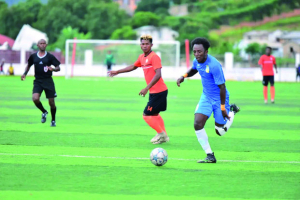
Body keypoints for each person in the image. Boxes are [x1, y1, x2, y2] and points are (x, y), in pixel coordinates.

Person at [177, 37, 240, 163]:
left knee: (220, 131)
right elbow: (194, 69)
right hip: (206, 96)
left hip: (219, 99)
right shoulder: (197, 60)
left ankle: (231, 111)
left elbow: (222, 87)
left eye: (199, 52)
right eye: (194, 51)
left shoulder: (214, 65)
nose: (196, 54)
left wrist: (223, 108)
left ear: (206, 51)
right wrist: (183, 76)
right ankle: (210, 155)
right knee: (197, 123)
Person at [108, 34, 169, 144]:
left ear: (151, 45)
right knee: (155, 114)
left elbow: (158, 74)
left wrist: (146, 88)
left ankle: (161, 134)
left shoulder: (154, 57)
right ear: (140, 45)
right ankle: (164, 135)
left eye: (147, 44)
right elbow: (133, 66)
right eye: (143, 44)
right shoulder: (142, 57)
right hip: (155, 92)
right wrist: (117, 72)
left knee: (146, 115)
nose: (145, 46)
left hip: (159, 91)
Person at [21, 39, 61, 127]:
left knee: (51, 103)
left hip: (48, 81)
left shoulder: (50, 56)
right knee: (35, 98)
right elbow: (28, 65)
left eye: (44, 43)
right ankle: (44, 112)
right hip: (38, 81)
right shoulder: (33, 56)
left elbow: (58, 67)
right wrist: (24, 74)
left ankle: (53, 120)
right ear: (38, 45)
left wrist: (53, 69)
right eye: (41, 43)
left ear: (46, 45)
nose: (42, 45)